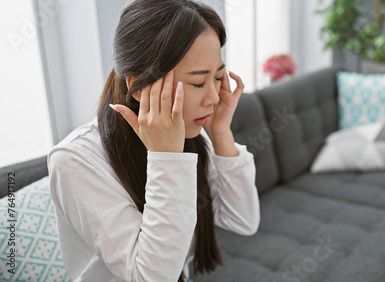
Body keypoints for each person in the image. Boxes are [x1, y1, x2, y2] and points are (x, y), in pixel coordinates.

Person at [47, 0, 260, 281]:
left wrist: (221, 133)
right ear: (140, 86)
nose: (212, 98)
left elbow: (242, 220)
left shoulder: (190, 131)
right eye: (198, 83)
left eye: (218, 77)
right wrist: (168, 159)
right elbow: (152, 276)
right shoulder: (75, 162)